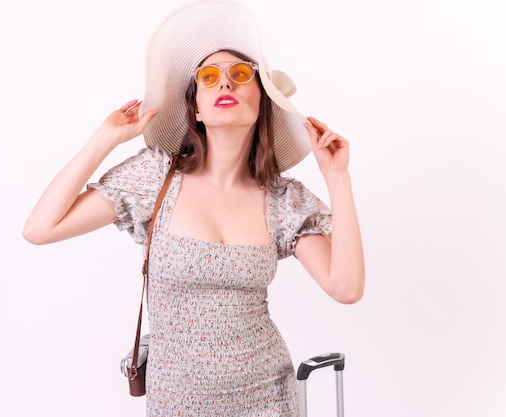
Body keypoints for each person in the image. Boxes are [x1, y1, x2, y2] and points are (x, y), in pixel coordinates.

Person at [23, 0, 365, 415]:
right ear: (197, 108)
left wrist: (337, 178)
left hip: (268, 397)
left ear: (262, 102)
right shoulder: (155, 179)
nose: (225, 84)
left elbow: (345, 288)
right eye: (209, 77)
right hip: (178, 402)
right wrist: (106, 139)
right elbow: (40, 229)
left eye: (240, 75)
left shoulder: (282, 199)